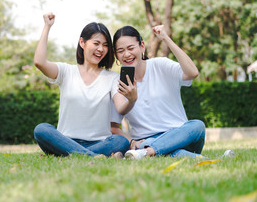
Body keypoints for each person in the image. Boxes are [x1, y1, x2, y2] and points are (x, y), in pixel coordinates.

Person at [33, 13, 137, 157]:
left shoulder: (112, 77)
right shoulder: (66, 71)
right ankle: (93, 156)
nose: (101, 49)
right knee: (41, 129)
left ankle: (71, 154)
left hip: (100, 142)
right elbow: (39, 62)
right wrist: (47, 26)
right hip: (66, 140)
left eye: (105, 45)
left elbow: (121, 107)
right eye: (96, 43)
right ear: (82, 43)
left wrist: (132, 99)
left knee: (121, 141)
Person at [111, 24, 206, 159]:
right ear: (116, 55)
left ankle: (149, 152)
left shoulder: (160, 65)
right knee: (173, 152)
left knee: (198, 126)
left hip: (180, 136)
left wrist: (166, 38)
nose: (126, 54)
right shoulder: (118, 84)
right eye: (120, 51)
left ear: (142, 46)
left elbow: (193, 72)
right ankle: (155, 152)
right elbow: (115, 124)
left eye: (131, 48)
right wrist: (132, 142)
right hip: (147, 140)